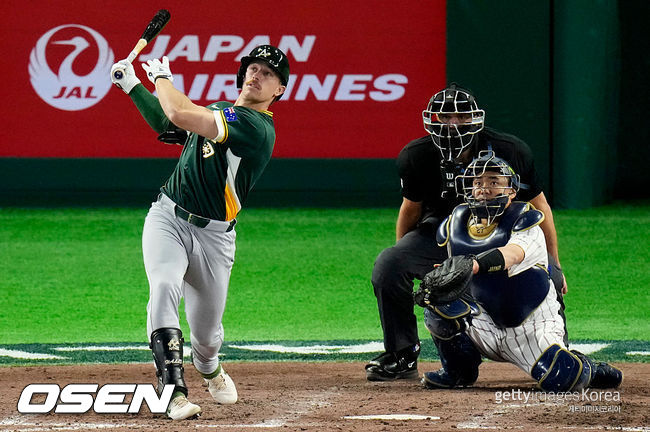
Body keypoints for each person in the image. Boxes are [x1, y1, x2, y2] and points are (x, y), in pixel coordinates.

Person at [110, 45, 289, 420]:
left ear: (279, 90)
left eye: (268, 73)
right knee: (163, 286)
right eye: (253, 68)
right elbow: (169, 123)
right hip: (168, 217)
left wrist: (160, 78)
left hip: (214, 238)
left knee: (206, 338)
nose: (256, 75)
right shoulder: (221, 111)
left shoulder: (256, 128)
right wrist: (131, 85)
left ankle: (210, 368)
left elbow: (178, 111)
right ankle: (173, 391)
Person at [366, 83, 567, 381]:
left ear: (475, 118)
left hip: (501, 231)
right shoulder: (417, 155)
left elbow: (540, 206)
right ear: (433, 120)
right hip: (442, 233)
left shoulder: (510, 150)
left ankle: (560, 350)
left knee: (549, 275)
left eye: (460, 116)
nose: (453, 124)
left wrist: (555, 262)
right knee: (389, 264)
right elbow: (410, 209)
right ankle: (402, 354)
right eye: (446, 117)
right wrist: (402, 258)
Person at [415, 151, 622, 391]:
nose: (484, 188)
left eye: (494, 182)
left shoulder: (525, 222)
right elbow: (456, 274)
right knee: (439, 307)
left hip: (530, 326)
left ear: (512, 191)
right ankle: (457, 373)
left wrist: (473, 264)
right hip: (485, 322)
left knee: (563, 378)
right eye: (477, 182)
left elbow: (511, 254)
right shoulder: (455, 224)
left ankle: (589, 368)